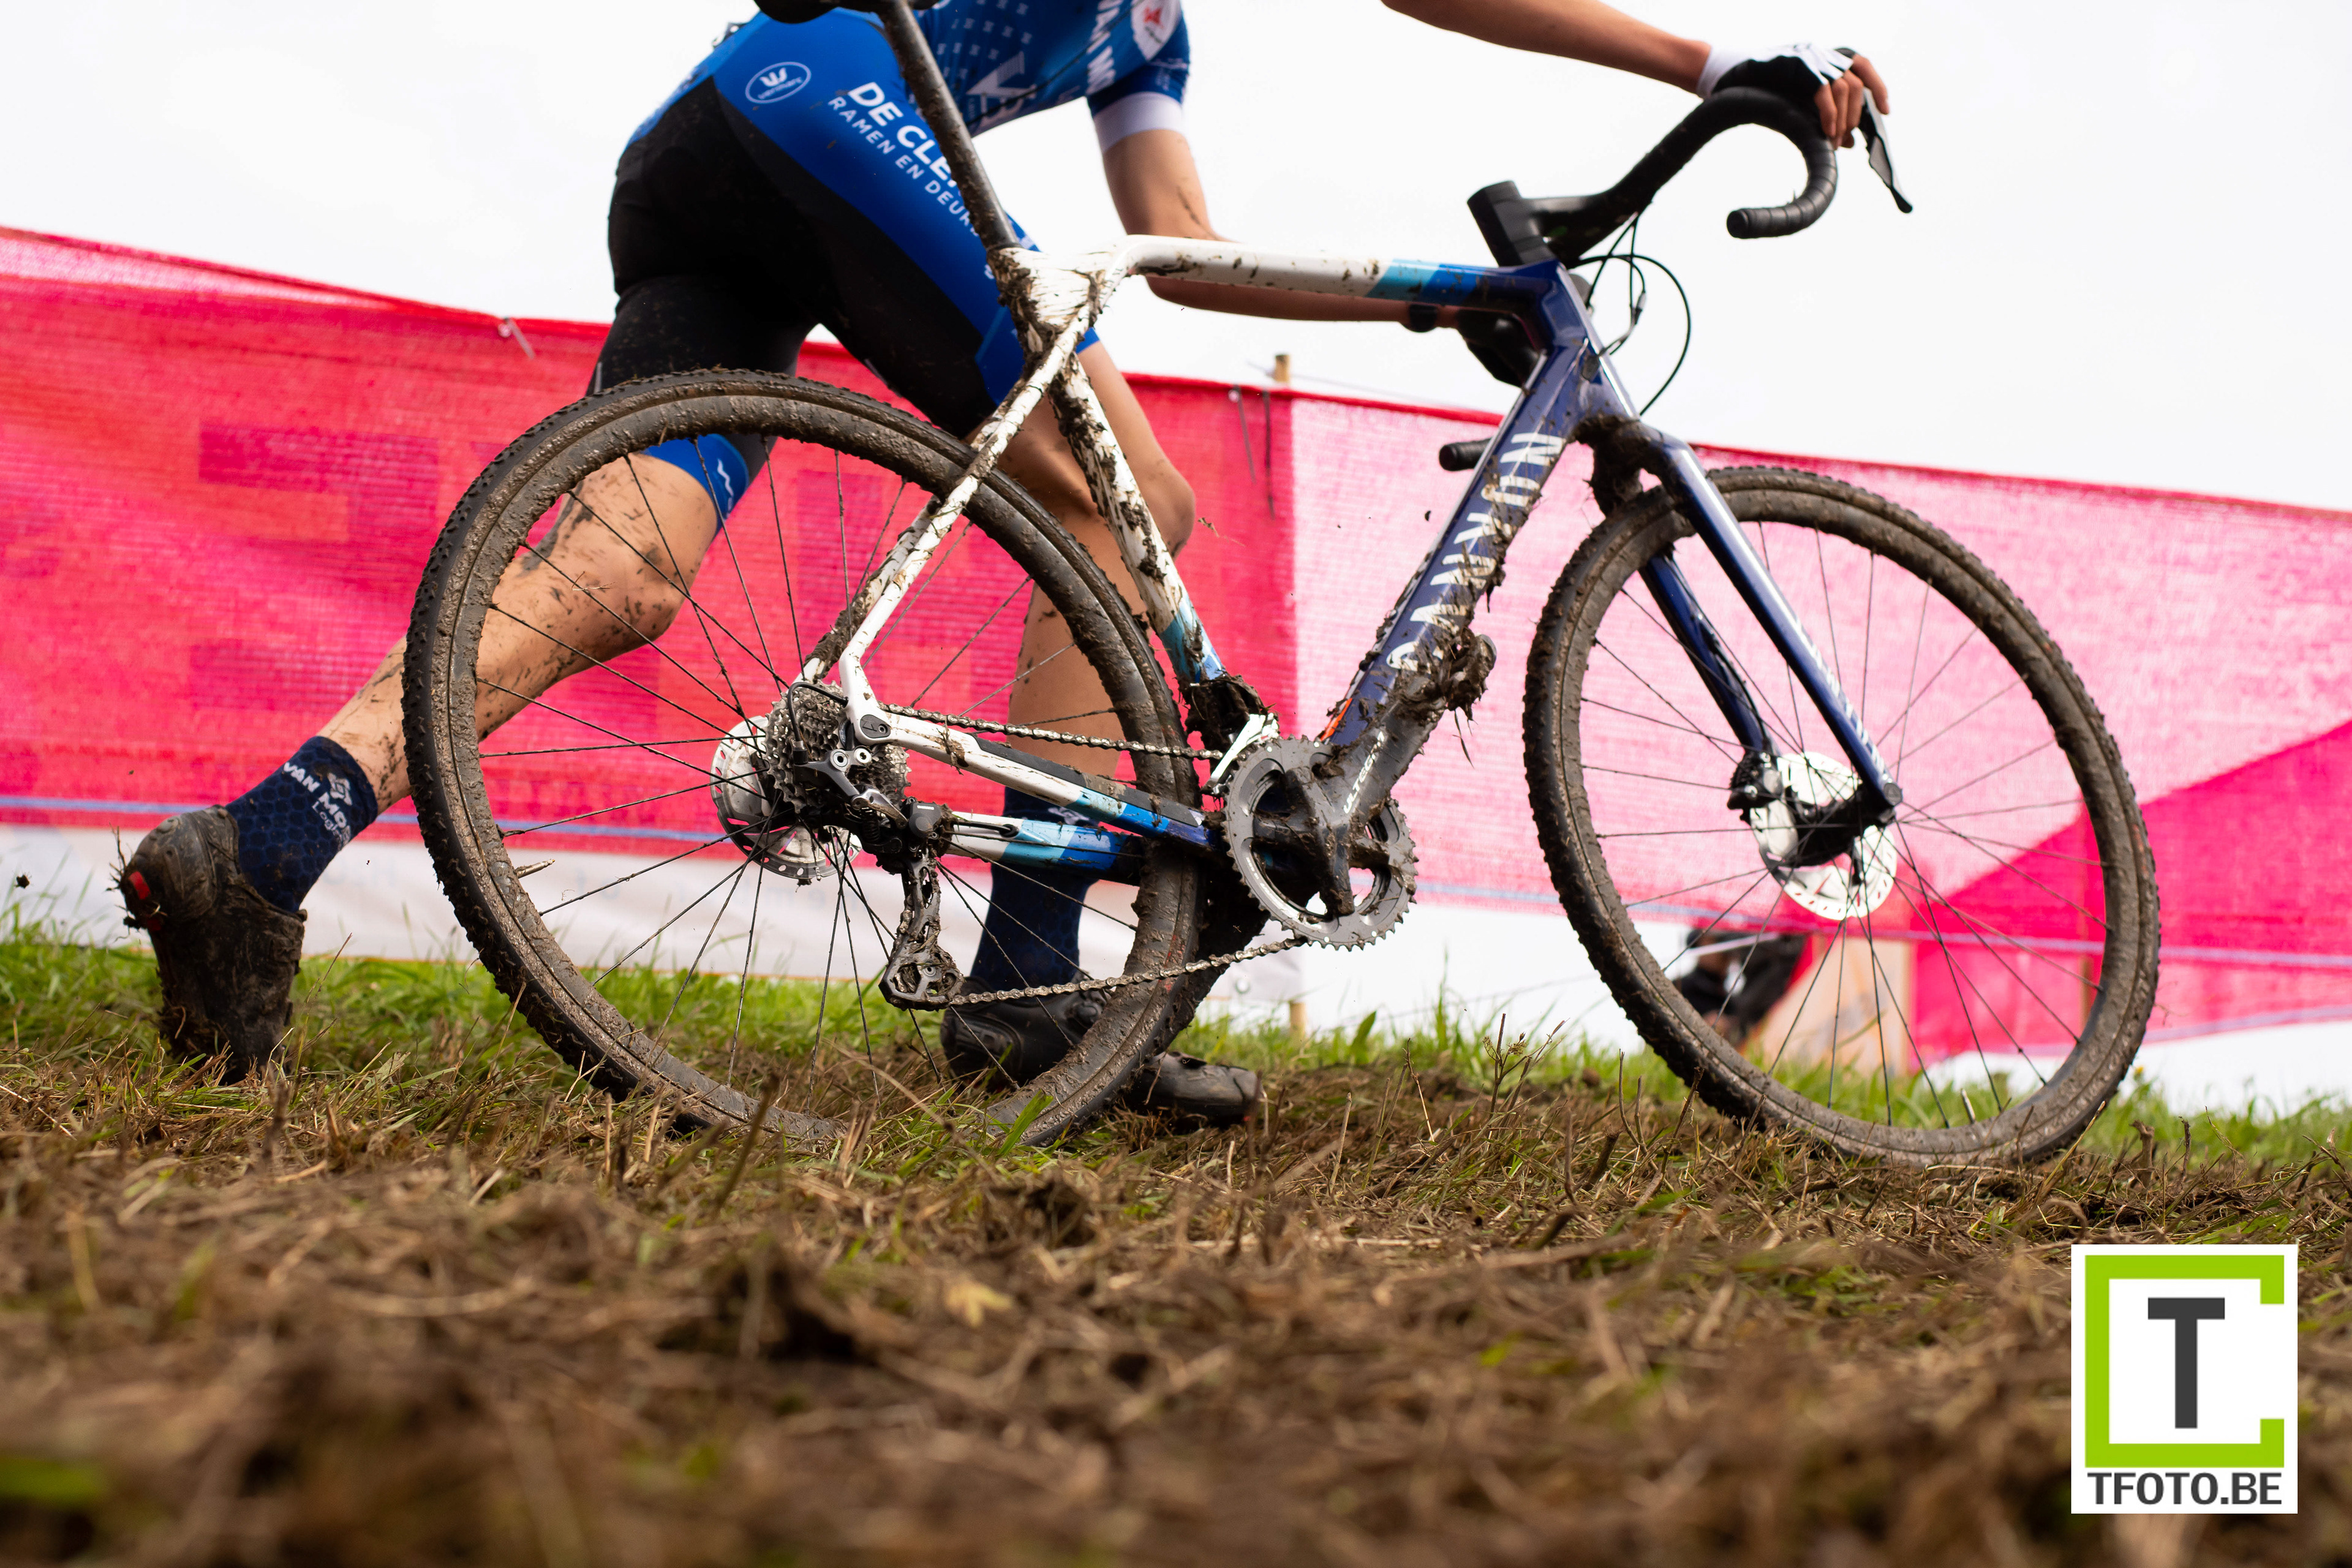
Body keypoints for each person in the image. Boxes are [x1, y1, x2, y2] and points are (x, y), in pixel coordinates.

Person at [118, 0, 1890, 1125]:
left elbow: (1180, 246)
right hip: (825, 91)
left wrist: (1434, 301)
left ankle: (261, 844)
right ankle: (1035, 992)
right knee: (1136, 506)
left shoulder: (1149, 38)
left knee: (624, 568)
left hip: (716, 163)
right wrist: (1703, 67)